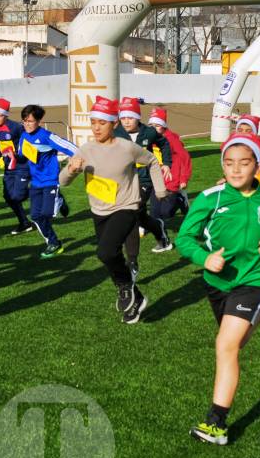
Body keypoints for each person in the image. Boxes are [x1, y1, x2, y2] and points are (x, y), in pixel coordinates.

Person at [177, 132, 260, 446]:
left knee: (225, 346)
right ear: (222, 166)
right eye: (229, 163)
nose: (236, 169)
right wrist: (204, 258)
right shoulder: (211, 197)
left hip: (252, 280)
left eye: (244, 163)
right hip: (217, 283)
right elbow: (184, 238)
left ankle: (216, 423)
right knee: (236, 345)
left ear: (257, 165)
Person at [61, 96, 167, 324]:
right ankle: (135, 297)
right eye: (93, 122)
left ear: (114, 123)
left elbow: (152, 161)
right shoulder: (86, 150)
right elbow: (63, 181)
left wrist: (159, 189)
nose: (96, 127)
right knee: (111, 257)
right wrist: (71, 170)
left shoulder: (127, 148)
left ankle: (126, 286)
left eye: (102, 122)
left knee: (105, 252)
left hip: (126, 207)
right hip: (99, 211)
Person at [115, 97, 174, 271]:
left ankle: (132, 261)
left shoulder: (149, 132)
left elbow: (164, 144)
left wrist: (166, 163)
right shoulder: (116, 132)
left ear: (138, 118)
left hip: (144, 180)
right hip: (123, 180)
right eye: (123, 117)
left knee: (131, 212)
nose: (126, 121)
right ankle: (159, 229)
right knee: (140, 216)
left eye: (130, 117)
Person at [18, 103, 77, 257]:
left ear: (39, 121)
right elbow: (21, 155)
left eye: (30, 121)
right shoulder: (23, 136)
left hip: (50, 180)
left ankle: (59, 200)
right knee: (36, 216)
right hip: (35, 182)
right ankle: (53, 243)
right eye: (25, 121)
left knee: (47, 214)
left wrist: (78, 157)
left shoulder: (47, 136)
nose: (27, 124)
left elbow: (70, 147)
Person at [0, 97, 34, 234]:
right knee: (8, 197)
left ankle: (43, 191)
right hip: (9, 169)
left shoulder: (16, 128)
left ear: (6, 115)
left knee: (17, 196)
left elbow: (28, 144)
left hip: (22, 166)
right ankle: (24, 223)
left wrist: (17, 155)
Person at [148, 107, 193, 222]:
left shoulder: (172, 139)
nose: (153, 128)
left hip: (171, 177)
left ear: (163, 126)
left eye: (157, 125)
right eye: (151, 125)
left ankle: (179, 200)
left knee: (166, 213)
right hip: (155, 178)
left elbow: (185, 158)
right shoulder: (149, 138)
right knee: (154, 212)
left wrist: (184, 178)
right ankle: (152, 227)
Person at [234, 115, 260, 187]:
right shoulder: (233, 152)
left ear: (254, 133)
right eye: (240, 130)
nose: (243, 134)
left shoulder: (259, 155)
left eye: (248, 131)